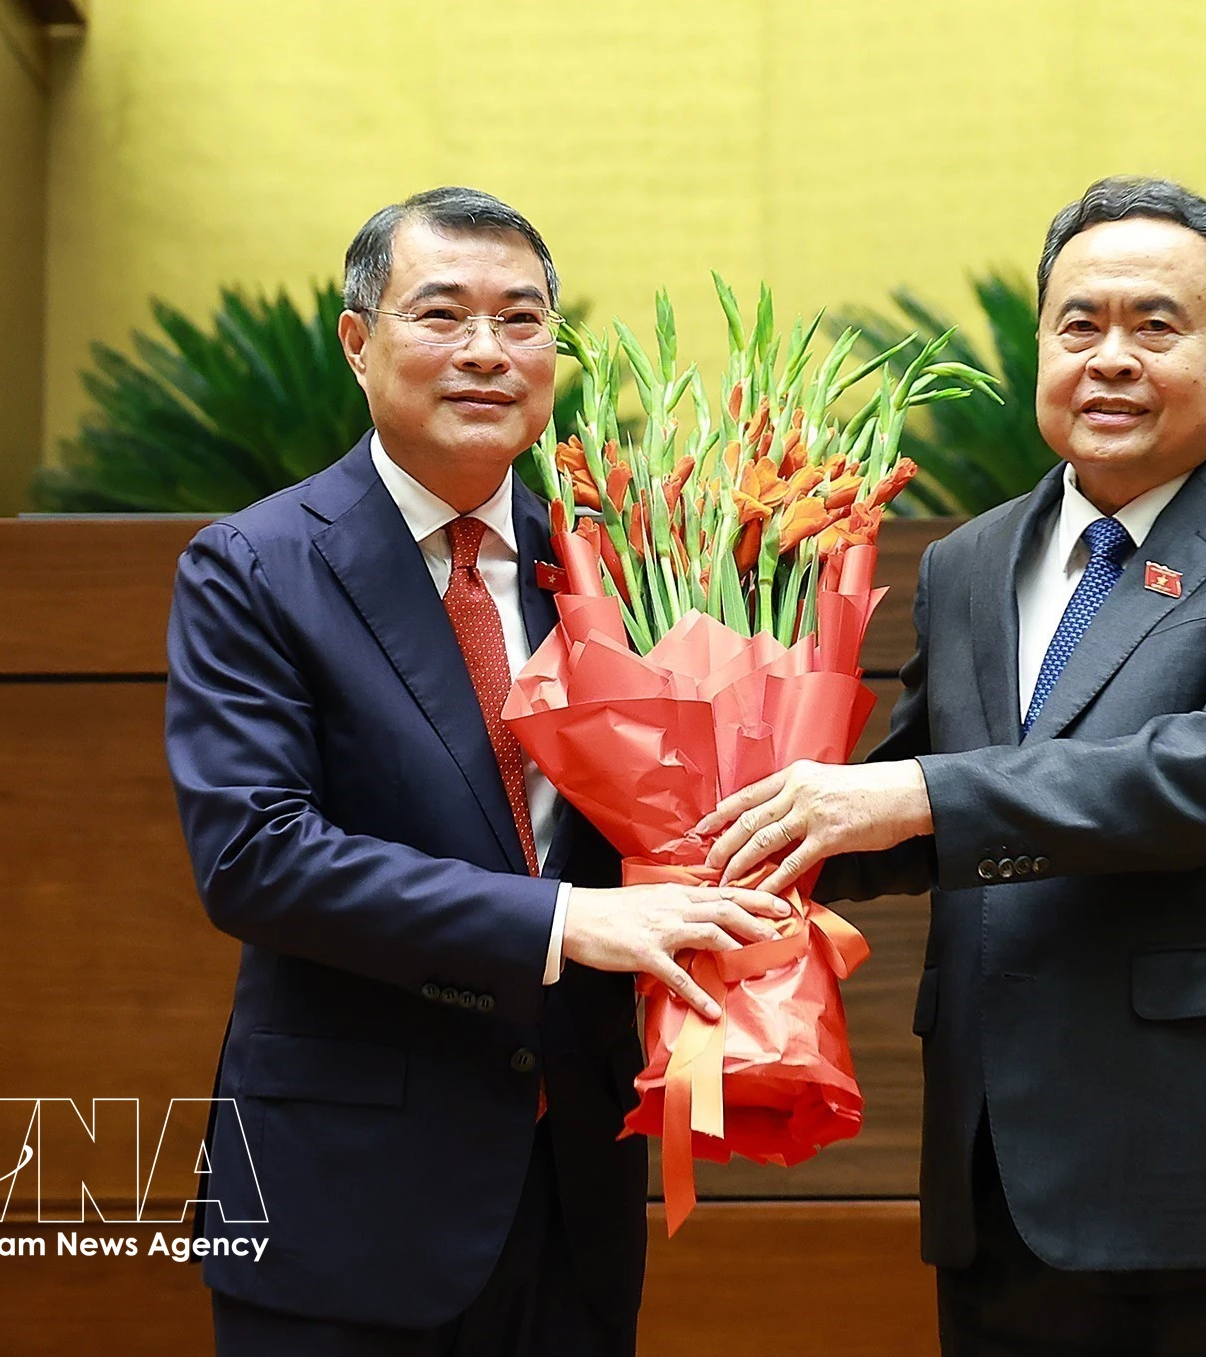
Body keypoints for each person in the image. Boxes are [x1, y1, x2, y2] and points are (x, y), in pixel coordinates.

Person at [697, 176, 1206, 1355]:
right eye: (1079, 324)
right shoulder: (971, 561)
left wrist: (904, 793)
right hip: (1000, 1177)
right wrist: (733, 844)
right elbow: (917, 797)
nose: (1111, 357)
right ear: (1041, 350)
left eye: (1154, 325)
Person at [165, 186, 788, 1356]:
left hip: (572, 1194)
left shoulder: (616, 567)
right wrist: (566, 919)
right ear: (357, 343)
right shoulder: (254, 567)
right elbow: (253, 860)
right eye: (442, 315)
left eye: (522, 320)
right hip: (348, 1198)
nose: (488, 353)